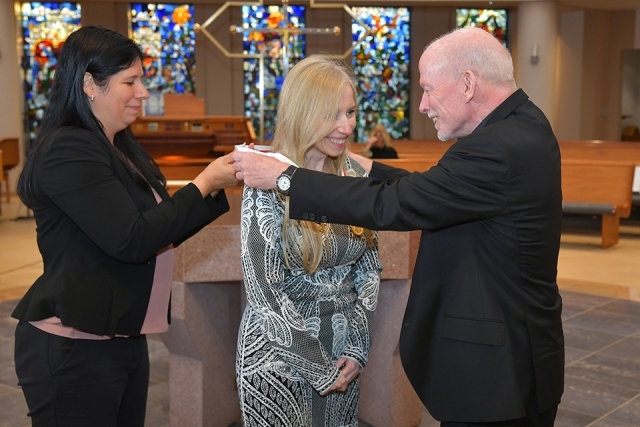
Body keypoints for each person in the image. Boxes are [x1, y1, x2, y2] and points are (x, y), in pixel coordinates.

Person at [232, 27, 564, 427]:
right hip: (281, 365)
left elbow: (400, 210)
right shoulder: (522, 126)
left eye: (428, 89)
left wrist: (286, 178)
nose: (422, 105)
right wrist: (365, 169)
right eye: (332, 114)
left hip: (499, 372)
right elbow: (441, 191)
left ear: (467, 84)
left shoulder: (499, 146)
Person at [12, 26, 239, 427]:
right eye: (130, 81)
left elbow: (157, 230)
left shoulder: (117, 147)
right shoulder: (69, 148)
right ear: (90, 84)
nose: (143, 92)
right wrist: (204, 183)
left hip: (120, 336)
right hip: (74, 343)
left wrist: (216, 187)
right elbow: (131, 239)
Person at [235, 54, 382, 427]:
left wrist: (357, 346)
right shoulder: (267, 178)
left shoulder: (353, 174)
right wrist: (319, 368)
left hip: (342, 353)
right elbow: (264, 292)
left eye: (350, 112)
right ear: (301, 113)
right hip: (277, 358)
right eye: (332, 114)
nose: (346, 126)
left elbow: (369, 268)